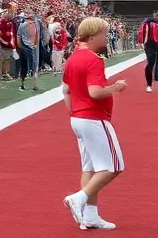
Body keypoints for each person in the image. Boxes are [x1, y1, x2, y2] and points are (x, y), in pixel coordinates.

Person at [62, 16, 126, 230]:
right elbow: (96, 92)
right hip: (93, 117)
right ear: (93, 36)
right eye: (104, 34)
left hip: (79, 117)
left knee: (90, 168)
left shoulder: (72, 58)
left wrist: (74, 112)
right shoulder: (93, 59)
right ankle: (80, 197)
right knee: (114, 166)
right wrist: (115, 87)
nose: (106, 38)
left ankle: (90, 216)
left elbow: (66, 90)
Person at [137, 9, 158, 92]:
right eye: (156, 14)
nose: (157, 15)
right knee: (151, 63)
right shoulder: (147, 22)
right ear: (153, 14)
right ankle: (149, 84)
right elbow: (141, 32)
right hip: (150, 44)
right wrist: (141, 42)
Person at [18, 11, 42, 92]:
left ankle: (30, 84)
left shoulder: (34, 25)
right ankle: (27, 84)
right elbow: (19, 37)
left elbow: (37, 36)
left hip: (30, 47)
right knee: (28, 66)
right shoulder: (25, 25)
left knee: (31, 66)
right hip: (28, 47)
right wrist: (20, 47)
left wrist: (35, 44)